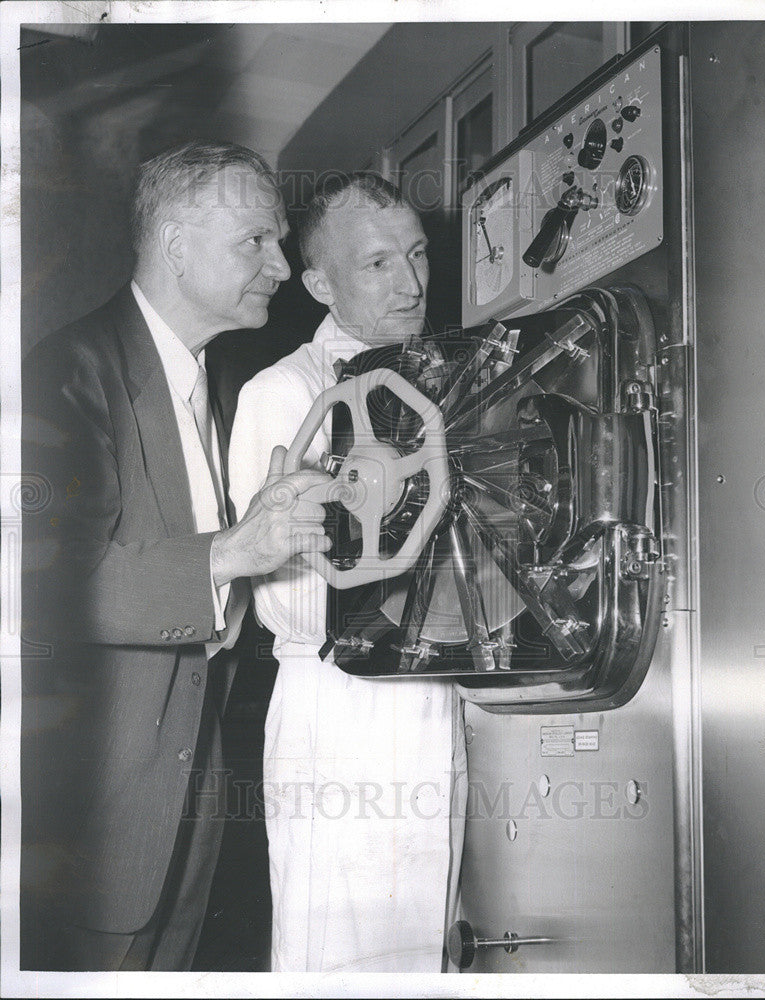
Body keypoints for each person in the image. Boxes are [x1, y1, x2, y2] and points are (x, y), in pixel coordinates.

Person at [20, 141, 332, 972]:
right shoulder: (66, 370)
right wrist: (235, 549)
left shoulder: (214, 380)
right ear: (174, 244)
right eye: (255, 242)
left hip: (191, 777)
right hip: (102, 799)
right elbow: (46, 586)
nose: (282, 263)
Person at [229, 172, 467, 973]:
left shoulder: (451, 385)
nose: (408, 283)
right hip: (341, 705)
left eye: (416, 254)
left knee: (424, 947)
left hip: (439, 693)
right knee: (337, 960)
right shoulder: (286, 392)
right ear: (320, 282)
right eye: (376, 265)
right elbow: (290, 601)